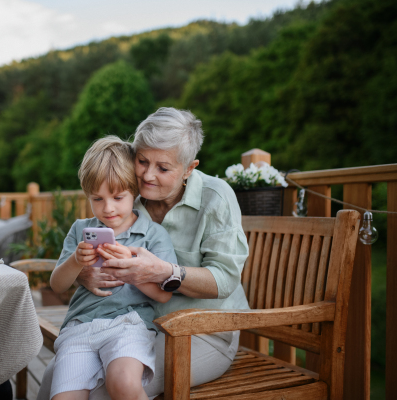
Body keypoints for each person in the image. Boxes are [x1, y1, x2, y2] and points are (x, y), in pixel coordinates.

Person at [37, 108, 250, 400]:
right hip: (134, 325)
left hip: (199, 331)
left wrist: (166, 272)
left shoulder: (215, 197)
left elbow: (225, 279)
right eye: (142, 161)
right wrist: (85, 272)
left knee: (103, 393)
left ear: (189, 168)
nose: (148, 175)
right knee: (49, 384)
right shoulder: (130, 198)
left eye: (163, 168)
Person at [48, 136, 178, 400]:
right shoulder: (80, 230)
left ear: (135, 192)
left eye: (118, 197)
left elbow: (164, 294)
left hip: (129, 323)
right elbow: (57, 285)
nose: (108, 208)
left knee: (123, 383)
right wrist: (75, 261)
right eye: (97, 199)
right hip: (80, 326)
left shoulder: (153, 234)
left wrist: (130, 270)